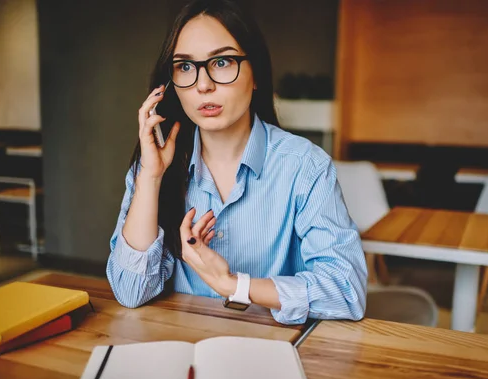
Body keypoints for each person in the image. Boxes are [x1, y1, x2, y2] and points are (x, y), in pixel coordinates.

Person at [106, 0, 367, 325]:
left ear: (255, 73)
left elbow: (346, 290)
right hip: (183, 349)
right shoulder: (154, 167)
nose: (203, 84)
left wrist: (235, 285)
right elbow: (130, 291)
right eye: (185, 66)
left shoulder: (305, 166)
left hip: (275, 352)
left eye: (222, 61)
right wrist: (150, 177)